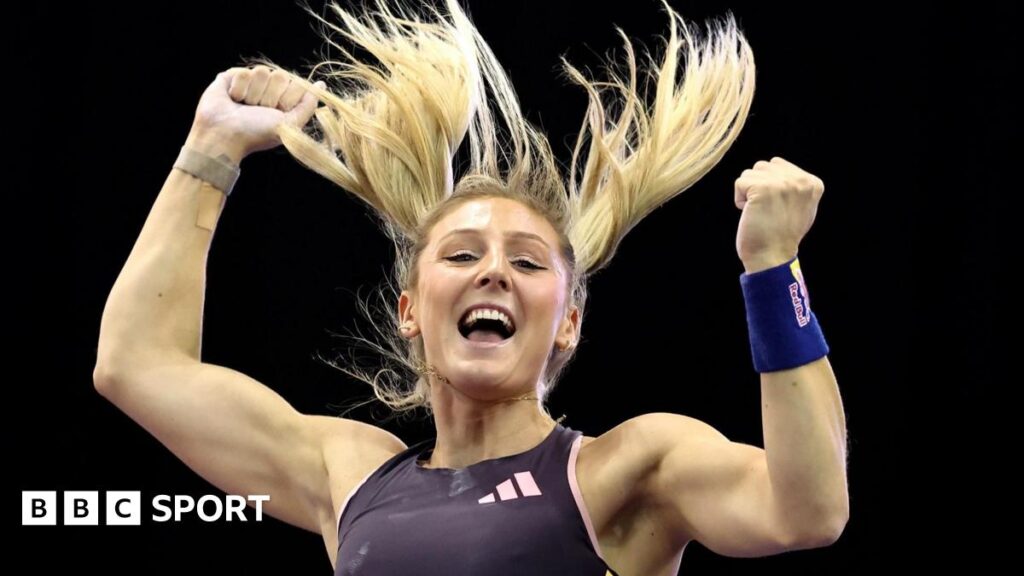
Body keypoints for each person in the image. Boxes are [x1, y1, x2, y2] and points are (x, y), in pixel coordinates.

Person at [93, 0, 849, 574]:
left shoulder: (624, 471)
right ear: (411, 311)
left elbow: (807, 509)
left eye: (525, 262)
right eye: (460, 256)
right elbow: (137, 365)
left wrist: (773, 268)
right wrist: (210, 149)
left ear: (569, 324)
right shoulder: (348, 474)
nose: (492, 270)